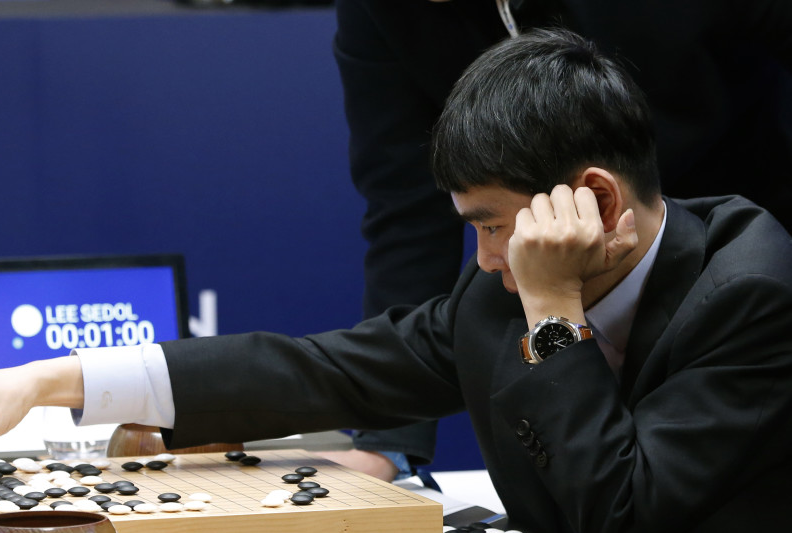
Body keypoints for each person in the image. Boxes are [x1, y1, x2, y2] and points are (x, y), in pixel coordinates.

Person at [0, 30, 792, 533]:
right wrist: (43, 380)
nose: (486, 259)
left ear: (591, 198)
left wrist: (555, 311)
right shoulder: (500, 293)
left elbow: (622, 522)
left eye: (492, 223)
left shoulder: (754, 290)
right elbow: (319, 370)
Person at [333, 0, 792, 482]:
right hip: (577, 275)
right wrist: (388, 438)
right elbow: (405, 208)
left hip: (740, 242)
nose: (488, 262)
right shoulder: (379, 11)